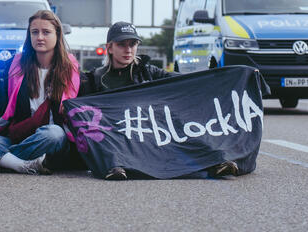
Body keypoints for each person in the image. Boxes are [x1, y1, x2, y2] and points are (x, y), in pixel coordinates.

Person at [78, 21, 238, 181]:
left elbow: (183, 82)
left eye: (133, 44)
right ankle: (114, 166)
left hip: (150, 130)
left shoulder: (148, 72)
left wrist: (214, 77)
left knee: (178, 126)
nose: (128, 50)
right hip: (116, 133)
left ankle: (218, 162)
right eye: (121, 44)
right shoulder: (94, 79)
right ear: (110, 48)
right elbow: (77, 109)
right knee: (102, 134)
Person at [0, 10, 80, 174]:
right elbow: (0, 116)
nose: (39, 37)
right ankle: (19, 163)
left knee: (54, 134)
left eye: (46, 32)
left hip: (48, 140)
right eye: (35, 32)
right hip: (17, 137)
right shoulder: (16, 64)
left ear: (58, 35)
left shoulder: (70, 68)